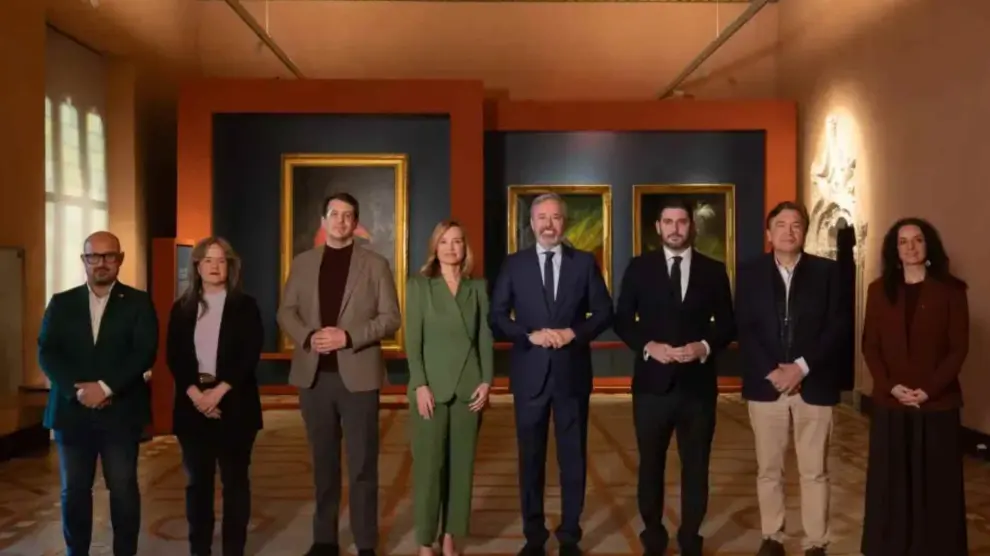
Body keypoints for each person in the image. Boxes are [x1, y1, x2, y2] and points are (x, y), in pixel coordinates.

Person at [277, 192, 401, 556]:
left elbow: (391, 318)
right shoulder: (303, 263)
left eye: (348, 215)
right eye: (334, 214)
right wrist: (307, 336)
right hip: (314, 378)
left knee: (362, 465)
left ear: (355, 223)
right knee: (323, 464)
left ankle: (365, 543)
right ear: (323, 220)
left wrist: (347, 337)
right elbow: (285, 312)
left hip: (359, 377)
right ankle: (325, 540)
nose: (341, 221)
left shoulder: (375, 264)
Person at [489, 193, 613, 556]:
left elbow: (604, 312)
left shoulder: (584, 263)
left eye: (555, 217)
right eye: (542, 217)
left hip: (571, 375)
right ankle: (534, 536)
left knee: (572, 458)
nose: (548, 224)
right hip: (530, 375)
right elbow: (497, 316)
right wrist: (528, 335)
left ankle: (570, 535)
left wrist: (574, 332)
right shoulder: (515, 264)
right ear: (531, 224)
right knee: (530, 460)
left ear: (564, 222)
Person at [614, 198, 735, 556]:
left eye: (682, 222)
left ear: (691, 226)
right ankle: (653, 533)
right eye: (668, 222)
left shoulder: (713, 270)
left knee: (696, 466)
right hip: (651, 387)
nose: (675, 228)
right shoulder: (639, 268)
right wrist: (648, 345)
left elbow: (728, 324)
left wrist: (703, 346)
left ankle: (690, 535)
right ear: (658, 227)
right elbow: (623, 320)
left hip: (698, 387)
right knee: (650, 464)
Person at [734, 202, 846, 556]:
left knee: (815, 471)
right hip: (766, 385)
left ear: (805, 231)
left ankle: (816, 542)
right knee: (769, 469)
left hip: (815, 384)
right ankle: (773, 536)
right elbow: (744, 327)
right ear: (769, 233)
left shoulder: (828, 273)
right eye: (780, 225)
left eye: (796, 225)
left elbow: (837, 327)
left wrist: (801, 367)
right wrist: (773, 370)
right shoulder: (749, 272)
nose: (788, 231)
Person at [37, 231, 159, 556]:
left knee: (123, 491)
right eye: (94, 256)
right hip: (71, 413)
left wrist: (105, 388)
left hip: (120, 413)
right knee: (74, 493)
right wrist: (77, 390)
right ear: (84, 260)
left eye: (109, 256)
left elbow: (144, 351)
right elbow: (47, 351)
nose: (101, 263)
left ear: (120, 260)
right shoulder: (62, 303)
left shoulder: (138, 302)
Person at [860, 218, 969, 556]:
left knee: (936, 483)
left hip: (936, 404)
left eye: (917, 240)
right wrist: (890, 386)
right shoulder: (878, 291)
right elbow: (870, 346)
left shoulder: (952, 290)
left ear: (928, 245)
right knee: (891, 482)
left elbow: (958, 348)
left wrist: (929, 390)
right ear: (894, 250)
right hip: (891, 402)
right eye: (903, 241)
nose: (911, 247)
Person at [166, 236, 264, 556]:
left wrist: (218, 393)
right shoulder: (181, 308)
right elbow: (175, 356)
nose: (214, 266)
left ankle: (234, 550)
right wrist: (197, 395)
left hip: (235, 404)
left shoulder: (245, 306)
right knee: (198, 484)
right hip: (192, 405)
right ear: (197, 266)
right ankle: (200, 550)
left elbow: (249, 354)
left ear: (230, 266)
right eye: (207, 260)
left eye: (221, 260)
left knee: (235, 483)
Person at [405, 220, 494, 556]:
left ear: (465, 248)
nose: (451, 248)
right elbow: (413, 342)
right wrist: (420, 385)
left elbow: (484, 337)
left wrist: (487, 381)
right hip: (429, 390)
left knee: (462, 468)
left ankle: (450, 536)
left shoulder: (477, 287)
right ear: (435, 247)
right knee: (429, 469)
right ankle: (425, 541)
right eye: (444, 241)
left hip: (469, 388)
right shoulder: (419, 286)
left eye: (457, 241)